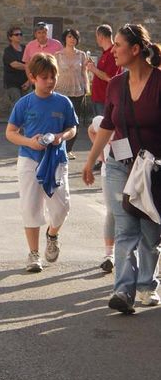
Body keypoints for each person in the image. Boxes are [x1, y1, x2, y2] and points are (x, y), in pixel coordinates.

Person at [83, 23, 161, 314]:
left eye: (118, 45)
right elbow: (107, 125)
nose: (113, 50)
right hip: (119, 164)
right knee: (126, 227)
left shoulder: (160, 83)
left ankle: (146, 285)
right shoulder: (116, 84)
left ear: (136, 49)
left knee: (151, 233)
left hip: (154, 170)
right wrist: (90, 161)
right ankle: (123, 291)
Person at [6, 53, 78, 273]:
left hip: (56, 159)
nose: (49, 81)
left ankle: (52, 234)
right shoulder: (24, 103)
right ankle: (34, 254)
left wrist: (61, 137)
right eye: (44, 77)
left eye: (53, 76)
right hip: (29, 159)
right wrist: (30, 141)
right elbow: (10, 132)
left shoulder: (63, 102)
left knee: (62, 207)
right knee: (30, 206)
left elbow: (72, 128)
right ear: (34, 77)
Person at [55, 28, 89, 160]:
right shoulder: (57, 55)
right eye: (70, 36)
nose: (72, 39)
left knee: (74, 121)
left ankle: (69, 149)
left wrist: (87, 87)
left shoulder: (82, 55)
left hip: (77, 90)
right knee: (59, 120)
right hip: (61, 90)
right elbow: (54, 73)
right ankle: (58, 146)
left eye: (74, 37)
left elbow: (84, 72)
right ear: (65, 39)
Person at [87, 115, 115, 273]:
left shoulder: (140, 118)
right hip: (109, 172)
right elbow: (91, 131)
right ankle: (109, 255)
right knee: (112, 212)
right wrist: (98, 153)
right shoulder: (101, 120)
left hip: (139, 173)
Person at [86, 24, 121, 117]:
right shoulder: (106, 53)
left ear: (100, 36)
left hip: (104, 99)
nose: (96, 39)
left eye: (96, 36)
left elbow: (109, 77)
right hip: (99, 98)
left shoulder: (112, 54)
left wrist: (93, 69)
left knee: (103, 128)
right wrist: (93, 67)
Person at [2, 25, 31, 110]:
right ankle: (14, 123)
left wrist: (28, 81)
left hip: (25, 82)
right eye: (16, 34)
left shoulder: (25, 48)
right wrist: (27, 66)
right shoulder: (8, 51)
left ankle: (24, 123)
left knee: (26, 105)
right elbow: (15, 64)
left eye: (20, 34)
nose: (19, 36)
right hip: (12, 83)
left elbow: (31, 63)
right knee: (17, 103)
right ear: (10, 37)